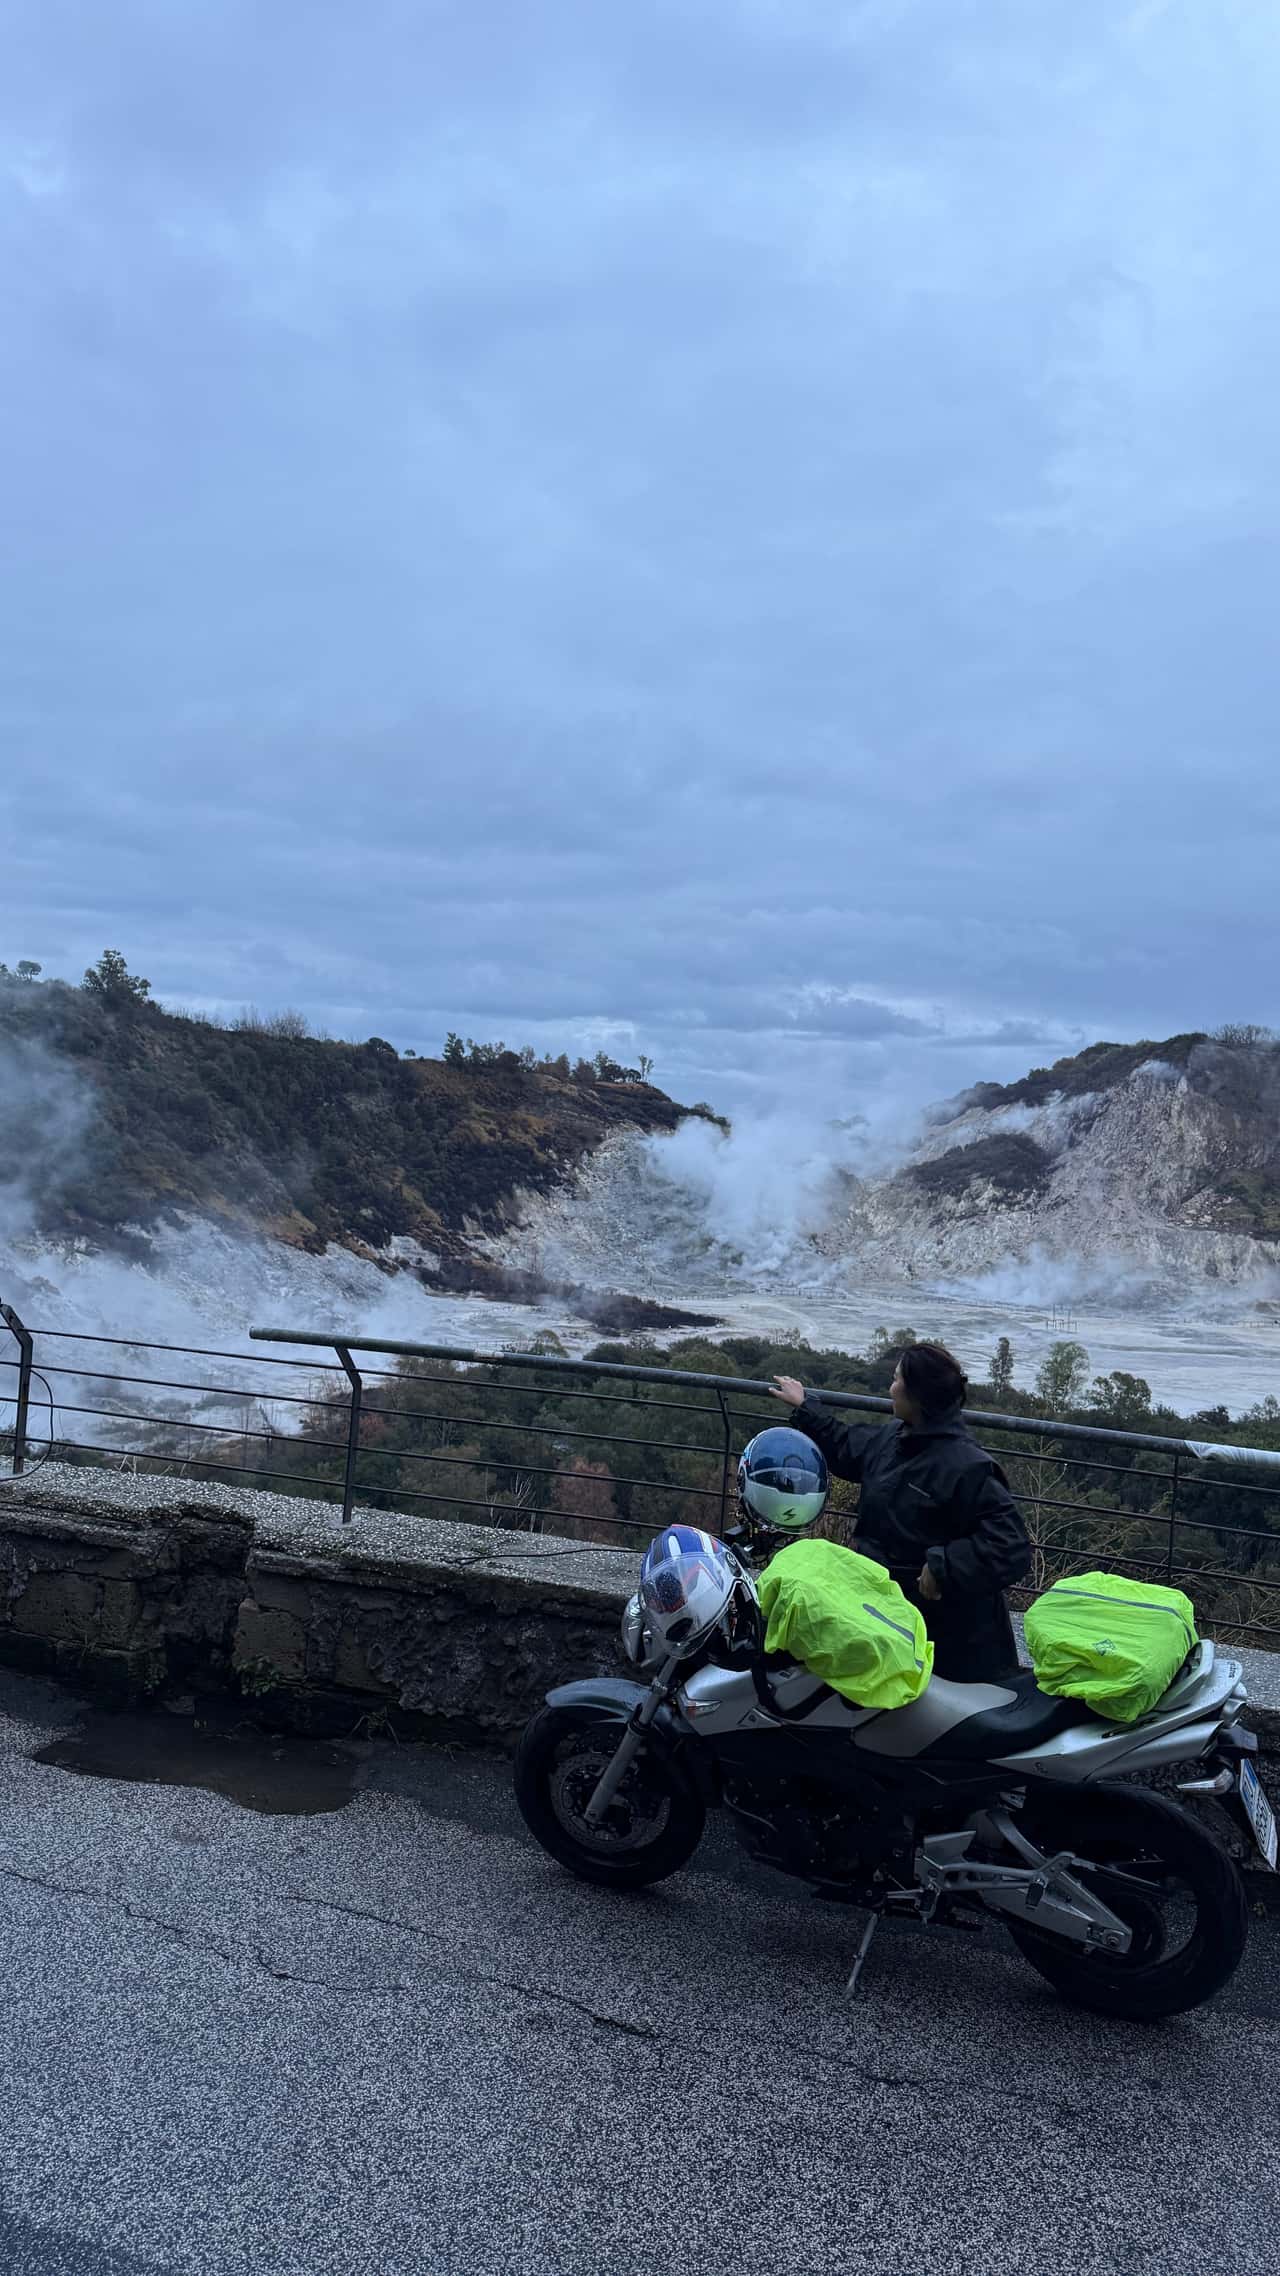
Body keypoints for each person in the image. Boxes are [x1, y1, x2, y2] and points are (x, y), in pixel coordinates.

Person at [770, 1343, 1031, 1682]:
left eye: (896, 1380)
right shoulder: (896, 1439)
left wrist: (944, 1566)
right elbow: (847, 1445)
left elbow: (1011, 1546)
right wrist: (805, 1407)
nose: (890, 1388)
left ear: (918, 1395)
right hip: (889, 1619)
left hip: (948, 1645)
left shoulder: (967, 1467)